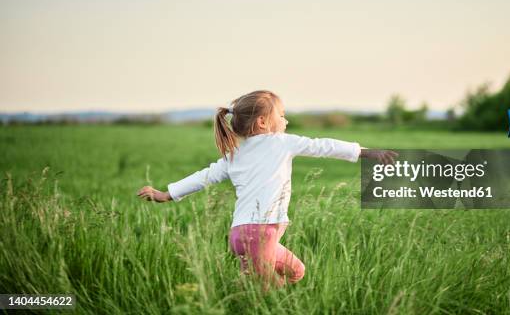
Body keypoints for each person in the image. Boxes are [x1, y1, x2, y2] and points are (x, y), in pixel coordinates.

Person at [137, 90, 397, 291]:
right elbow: (322, 146)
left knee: (295, 272)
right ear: (263, 122)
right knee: (268, 293)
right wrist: (365, 152)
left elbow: (204, 176)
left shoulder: (235, 154)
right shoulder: (281, 143)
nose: (286, 119)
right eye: (281, 115)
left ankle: (235, 294)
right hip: (259, 234)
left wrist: (167, 193)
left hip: (244, 234)